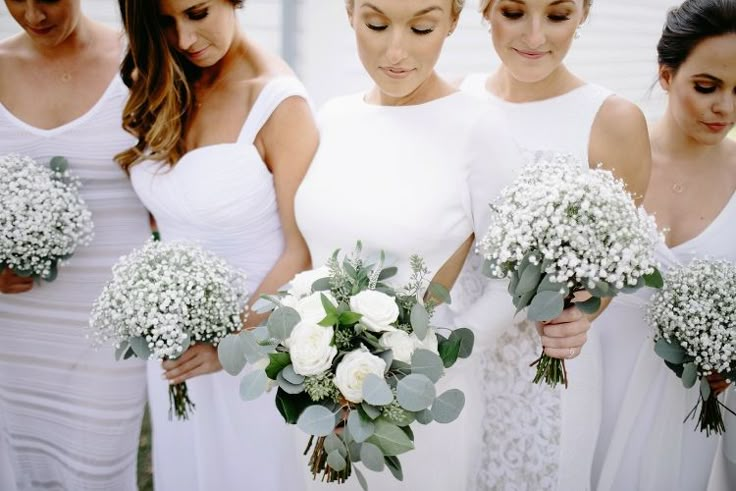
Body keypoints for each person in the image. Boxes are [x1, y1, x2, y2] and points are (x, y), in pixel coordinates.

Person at [294, 1, 592, 489]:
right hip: (317, 398)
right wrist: (314, 364)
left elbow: (510, 285)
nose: (396, 50)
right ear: (349, 12)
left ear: (452, 21)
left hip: (418, 410)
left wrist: (420, 373)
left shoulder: (478, 129)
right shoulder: (331, 116)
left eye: (422, 27)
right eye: (376, 24)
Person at [116, 0, 318, 488]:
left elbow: (302, 250)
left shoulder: (278, 102)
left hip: (253, 345)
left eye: (198, 12)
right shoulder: (167, 80)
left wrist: (230, 344)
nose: (184, 39)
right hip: (175, 346)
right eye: (165, 23)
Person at [455, 0, 652, 488]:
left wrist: (582, 313)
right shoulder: (459, 99)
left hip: (546, 370)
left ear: (584, 13)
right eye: (514, 12)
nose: (535, 36)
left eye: (558, 15)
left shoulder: (614, 119)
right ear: (485, 9)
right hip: (457, 356)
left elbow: (617, 261)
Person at [0, 0, 150, 489]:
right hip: (13, 330)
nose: (32, 13)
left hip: (106, 331)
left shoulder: (142, 61)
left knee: (97, 468)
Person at [592, 1, 736, 489]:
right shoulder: (607, 151)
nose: (726, 108)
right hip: (592, 387)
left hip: (686, 411)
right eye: (707, 87)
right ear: (667, 75)